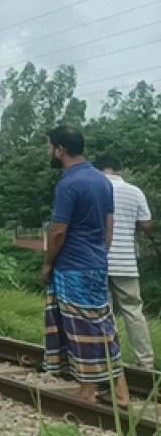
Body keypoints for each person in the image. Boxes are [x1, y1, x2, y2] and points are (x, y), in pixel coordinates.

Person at [43, 126, 130, 407]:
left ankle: (89, 393)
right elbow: (109, 225)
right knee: (102, 323)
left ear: (60, 150)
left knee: (80, 328)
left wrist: (48, 263)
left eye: (49, 146)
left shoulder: (68, 184)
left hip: (72, 266)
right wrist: (99, 255)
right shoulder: (101, 180)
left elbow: (58, 232)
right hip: (96, 263)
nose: (49, 151)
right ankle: (120, 390)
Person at [94, 155, 153, 370]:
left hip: (98, 260)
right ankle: (145, 362)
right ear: (119, 170)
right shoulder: (135, 191)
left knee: (103, 311)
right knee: (133, 310)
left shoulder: (95, 189)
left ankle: (109, 360)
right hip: (126, 262)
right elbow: (146, 225)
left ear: (100, 170)